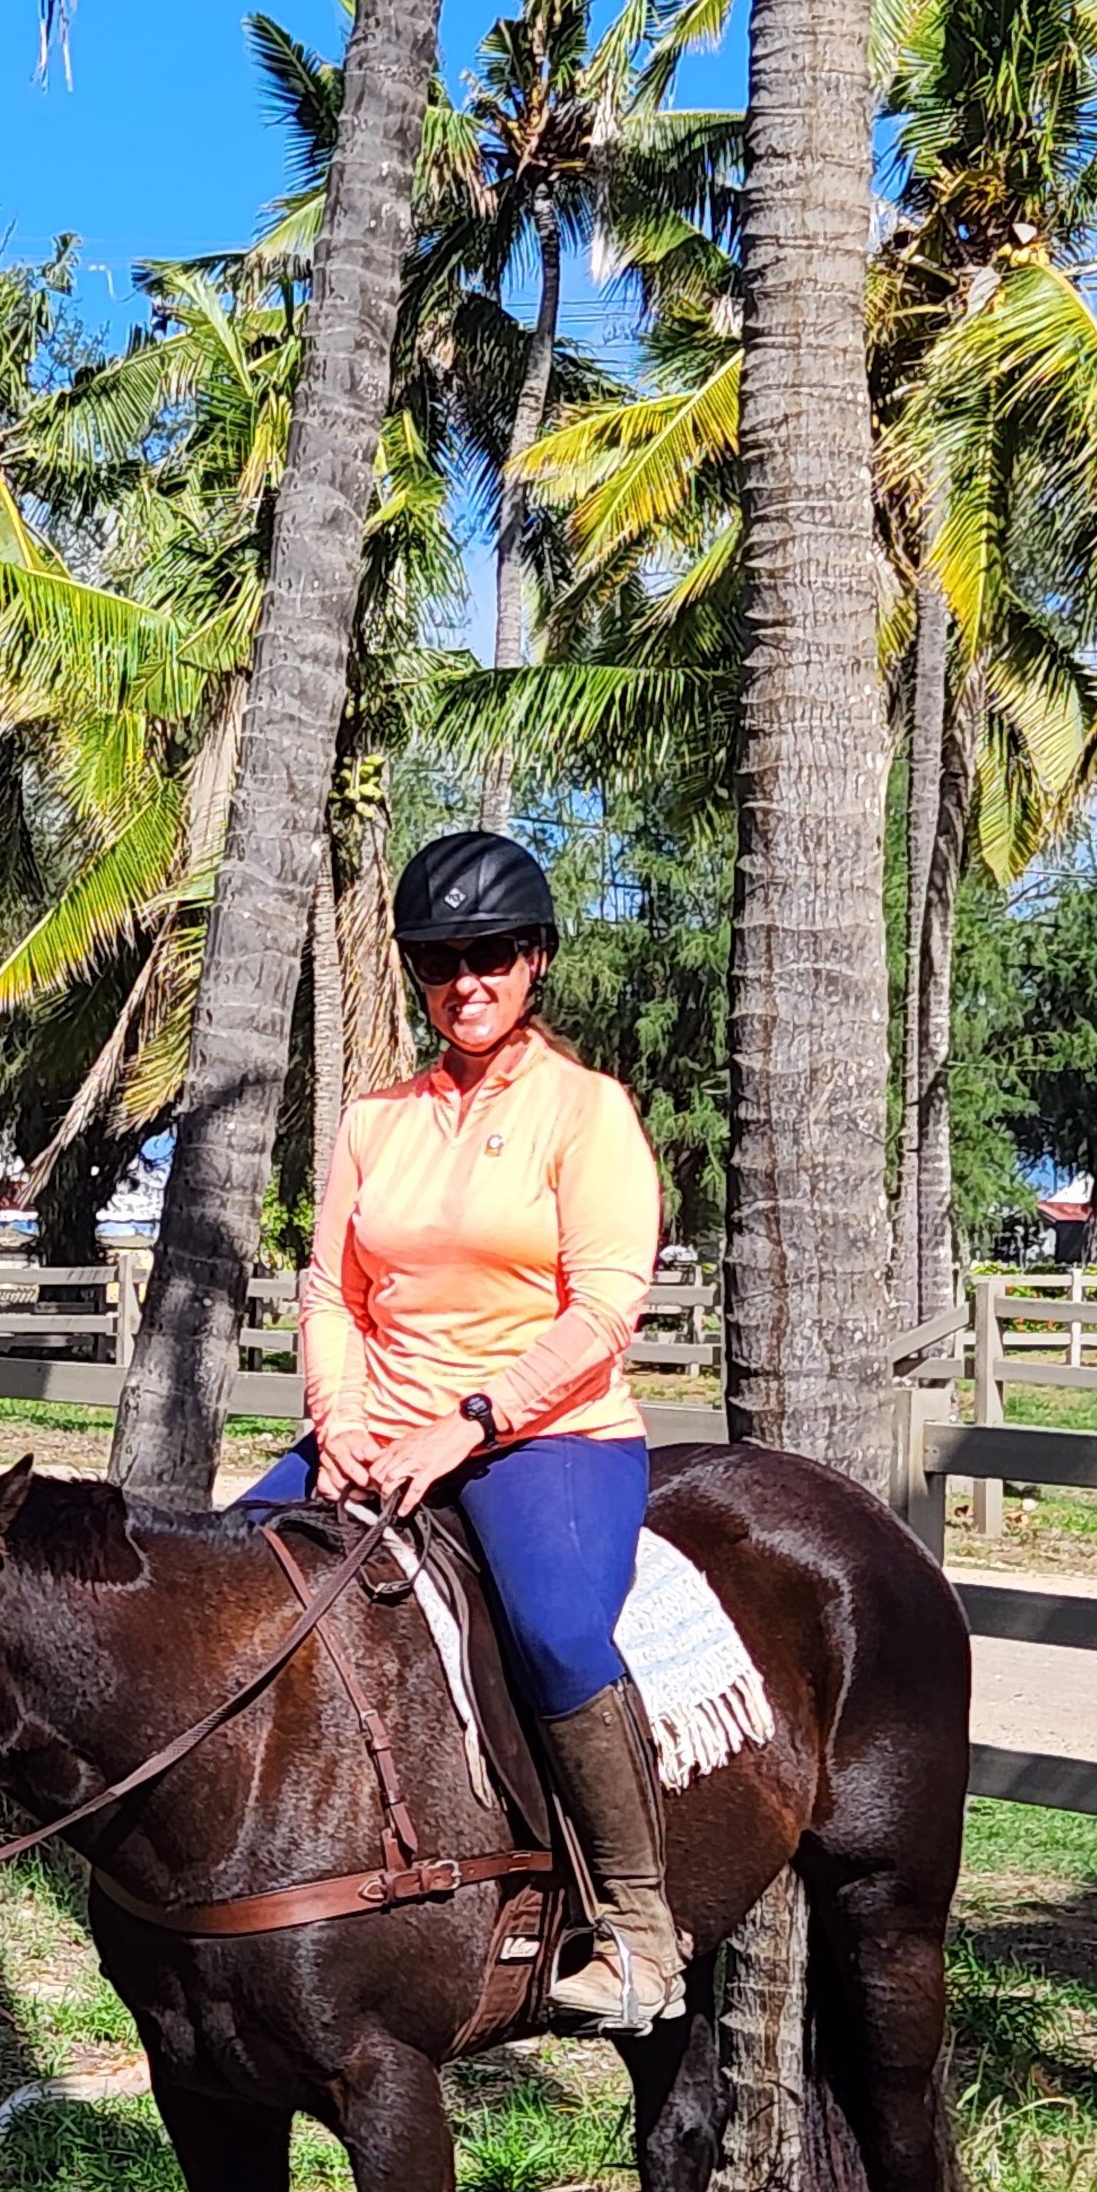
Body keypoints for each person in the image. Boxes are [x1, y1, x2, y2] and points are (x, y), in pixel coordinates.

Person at [245, 828, 680, 2030]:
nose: (467, 982)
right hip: (374, 1429)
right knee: (227, 1579)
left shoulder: (585, 1114)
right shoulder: (376, 1121)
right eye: (441, 960)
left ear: (535, 960)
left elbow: (603, 1308)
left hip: (548, 1434)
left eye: (491, 955)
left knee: (547, 1627)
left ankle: (636, 1924)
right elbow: (331, 1290)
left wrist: (471, 1421)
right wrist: (335, 1423)